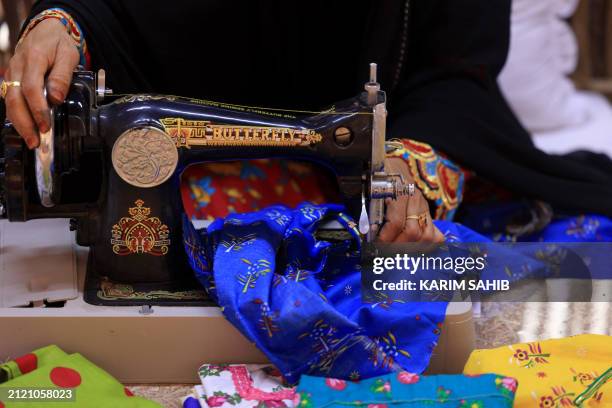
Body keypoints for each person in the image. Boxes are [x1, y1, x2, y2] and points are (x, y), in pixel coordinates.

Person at [3, 0, 612, 241]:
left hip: (391, 147)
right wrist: (62, 24)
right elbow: (116, 11)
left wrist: (407, 164)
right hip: (179, 158)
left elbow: (457, 77)